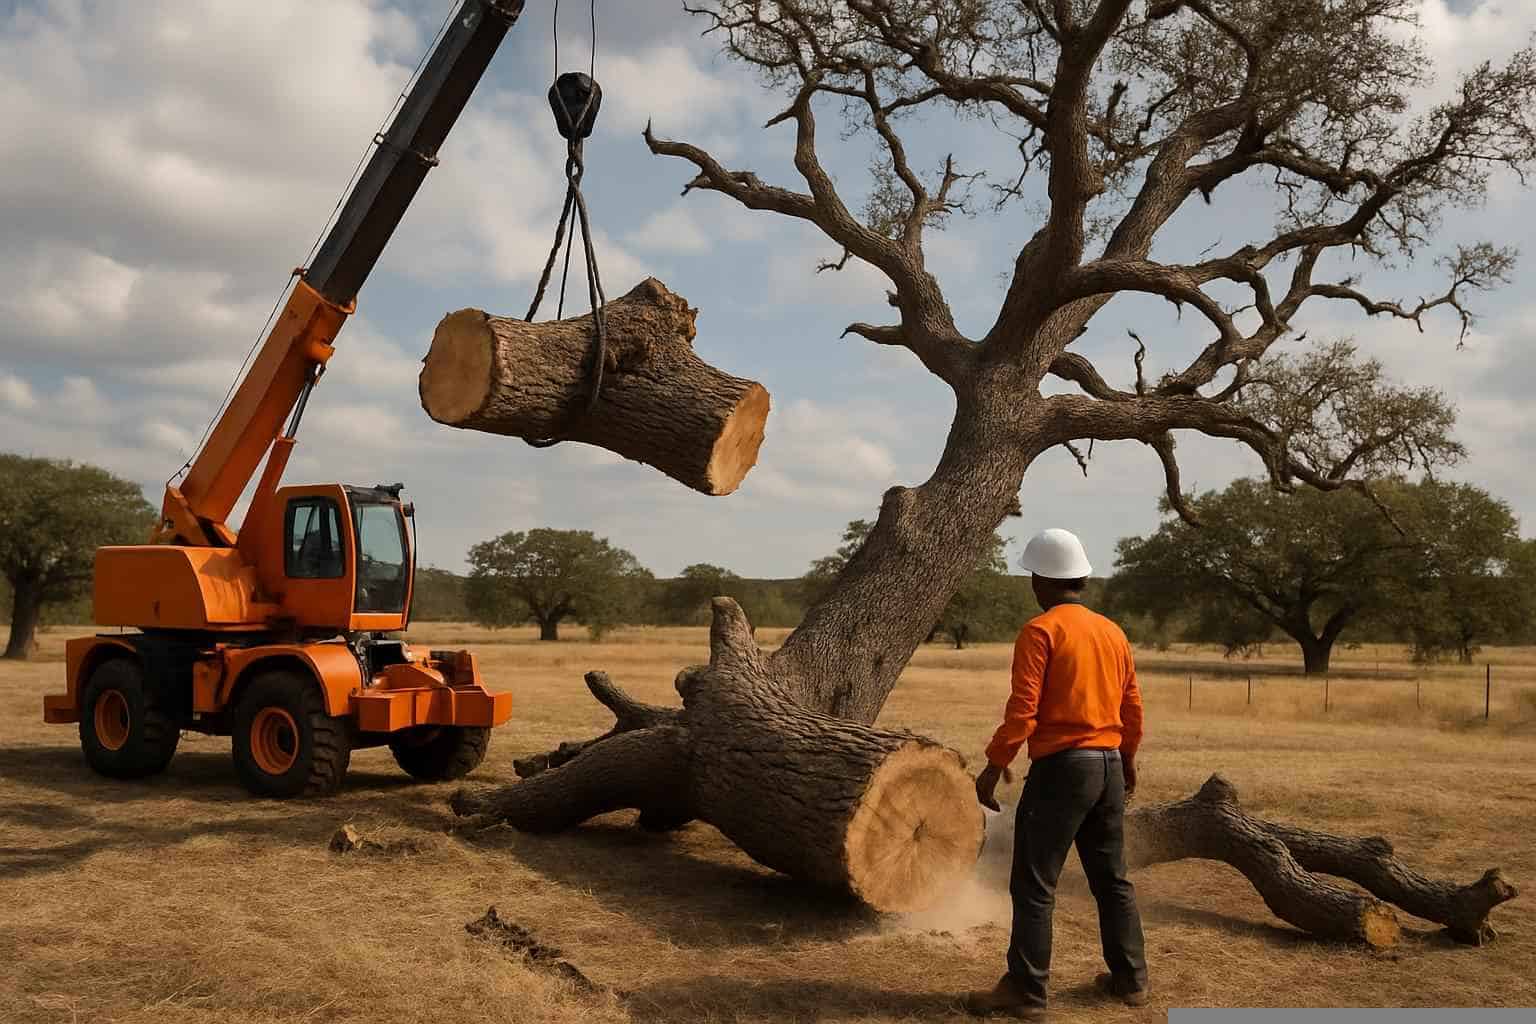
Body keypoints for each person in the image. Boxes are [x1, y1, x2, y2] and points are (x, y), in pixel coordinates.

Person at [962, 528, 1148, 1021]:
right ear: (1080, 577)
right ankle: (1130, 980)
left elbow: (1023, 711)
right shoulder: (1112, 632)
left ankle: (1026, 991)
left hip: (1064, 769)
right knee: (1112, 879)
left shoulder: (1040, 631)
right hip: (1108, 765)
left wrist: (994, 764)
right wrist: (1127, 759)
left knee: (1034, 884)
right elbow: (1132, 706)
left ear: (1041, 581)